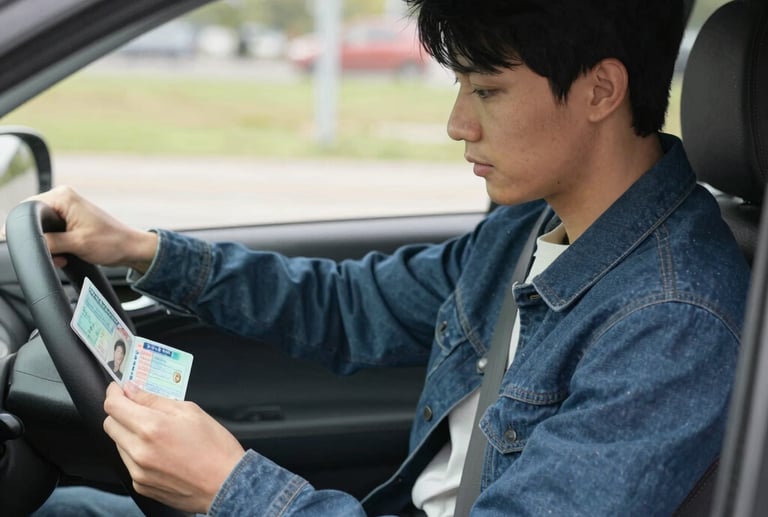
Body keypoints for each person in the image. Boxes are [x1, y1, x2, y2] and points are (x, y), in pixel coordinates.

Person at [30, 0, 750, 515]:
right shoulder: (528, 230)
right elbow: (351, 306)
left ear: (600, 89)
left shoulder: (674, 317)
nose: (456, 123)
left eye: (487, 90)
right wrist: (141, 250)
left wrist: (233, 488)